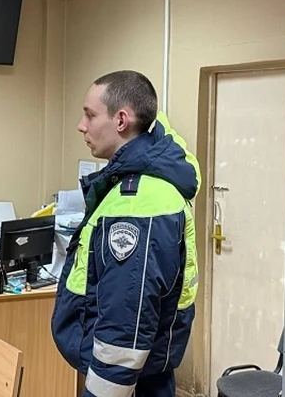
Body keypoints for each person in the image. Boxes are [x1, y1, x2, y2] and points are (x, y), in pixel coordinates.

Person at [51, 70, 200, 397]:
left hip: (126, 380)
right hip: (144, 373)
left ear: (121, 120)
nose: (81, 125)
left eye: (90, 115)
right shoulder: (136, 184)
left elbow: (126, 326)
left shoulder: (137, 204)